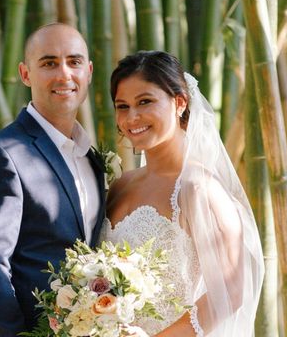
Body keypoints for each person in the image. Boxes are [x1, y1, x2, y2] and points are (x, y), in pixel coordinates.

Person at [99, 51, 264, 336]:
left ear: (179, 103)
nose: (132, 117)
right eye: (122, 106)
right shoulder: (120, 186)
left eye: (145, 102)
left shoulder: (198, 188)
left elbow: (231, 289)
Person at [0, 23, 106, 336]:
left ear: (89, 71)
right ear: (25, 74)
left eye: (74, 61)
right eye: (49, 63)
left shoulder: (92, 158)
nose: (64, 74)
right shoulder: (3, 154)